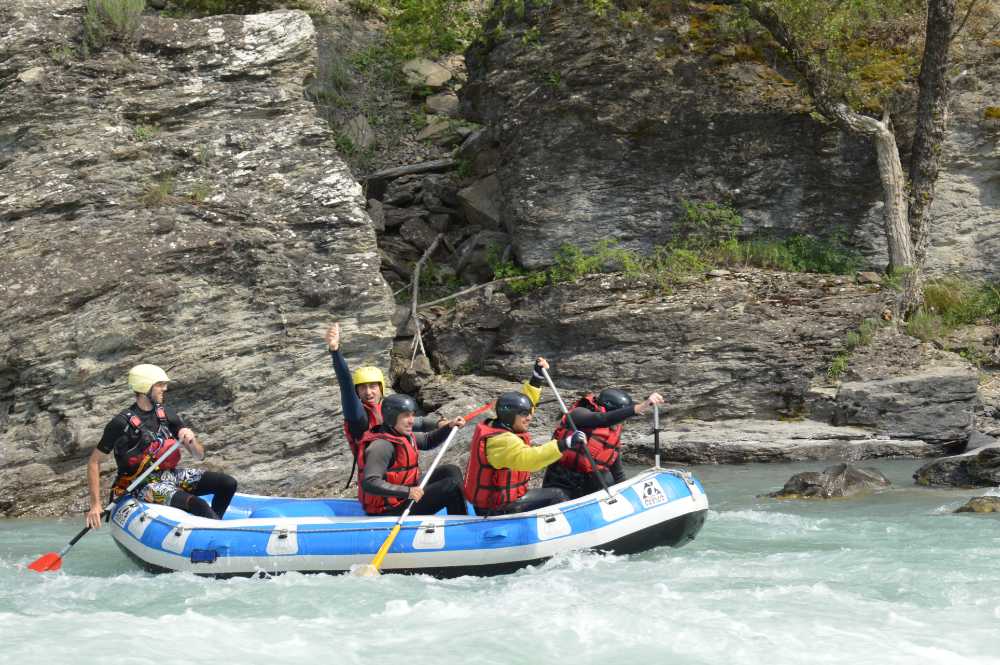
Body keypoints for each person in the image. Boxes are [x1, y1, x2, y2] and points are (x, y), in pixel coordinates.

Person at [85, 364, 237, 529]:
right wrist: (95, 505)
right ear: (144, 387)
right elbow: (94, 462)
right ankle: (215, 531)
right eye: (159, 384)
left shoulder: (166, 413)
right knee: (198, 504)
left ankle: (213, 526)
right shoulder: (120, 423)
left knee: (228, 483)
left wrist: (191, 441)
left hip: (169, 475)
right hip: (140, 484)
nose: (164, 388)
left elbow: (199, 456)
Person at [463, 357, 587, 516]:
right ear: (510, 416)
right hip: (496, 508)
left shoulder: (500, 423)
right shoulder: (501, 442)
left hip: (496, 500)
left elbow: (525, 405)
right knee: (559, 495)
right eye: (524, 415)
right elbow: (530, 459)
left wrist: (537, 378)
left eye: (528, 413)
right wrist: (565, 443)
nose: (529, 417)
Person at [325, 323, 445, 476]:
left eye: (373, 386)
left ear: (381, 388)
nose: (368, 392)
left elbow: (419, 423)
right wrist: (335, 351)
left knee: (449, 474)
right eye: (362, 388)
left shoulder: (388, 408)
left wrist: (442, 423)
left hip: (402, 478)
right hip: (378, 482)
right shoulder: (357, 416)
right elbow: (346, 386)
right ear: (357, 392)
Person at [358, 393, 468, 516]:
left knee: (450, 470)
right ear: (391, 417)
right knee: (450, 487)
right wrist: (408, 492)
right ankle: (460, 524)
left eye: (412, 415)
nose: (411, 421)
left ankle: (461, 513)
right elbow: (369, 482)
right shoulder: (381, 446)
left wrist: (449, 427)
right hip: (391, 509)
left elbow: (428, 441)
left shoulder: (401, 434)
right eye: (406, 416)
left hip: (405, 496)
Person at [543, 389, 665, 499]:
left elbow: (617, 472)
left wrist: (627, 495)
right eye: (621, 415)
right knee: (560, 496)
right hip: (561, 481)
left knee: (607, 478)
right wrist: (641, 406)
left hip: (587, 485)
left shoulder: (613, 431)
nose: (622, 421)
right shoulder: (578, 414)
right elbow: (602, 419)